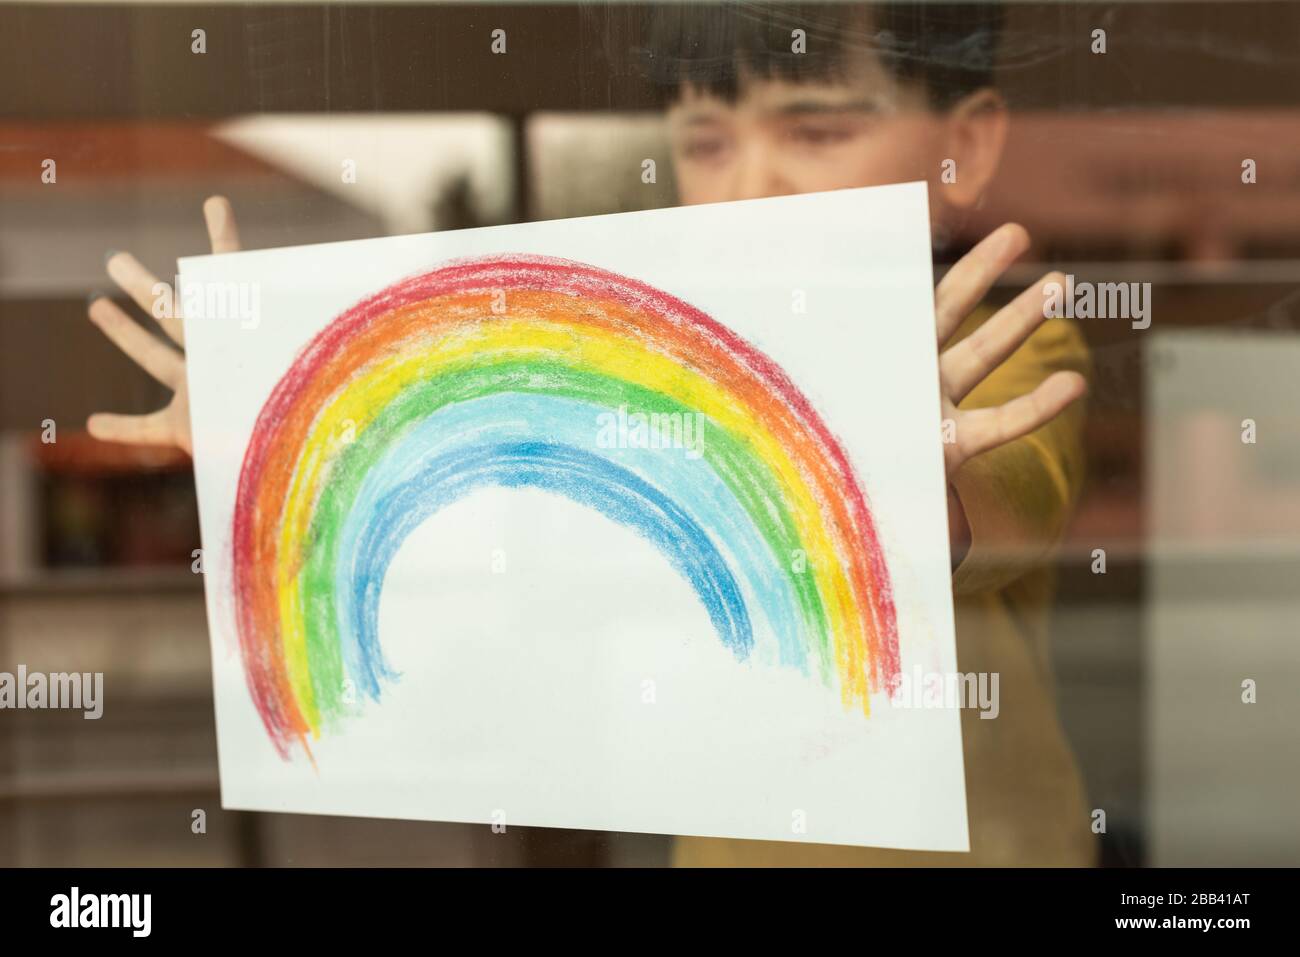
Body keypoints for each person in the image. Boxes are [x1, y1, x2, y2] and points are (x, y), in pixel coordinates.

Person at [86, 1, 1095, 866]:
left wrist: (906, 482)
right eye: (707, 141)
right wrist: (276, 446)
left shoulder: (991, 347)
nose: (751, 184)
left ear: (966, 145)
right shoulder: (659, 361)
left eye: (817, 129)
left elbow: (1011, 503)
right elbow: (499, 521)